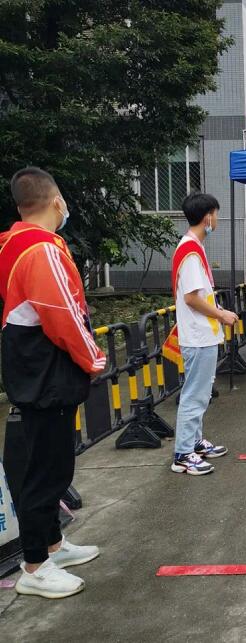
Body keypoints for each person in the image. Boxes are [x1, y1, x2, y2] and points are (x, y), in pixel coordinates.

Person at [1, 167, 106, 598]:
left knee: (47, 464)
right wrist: (94, 358)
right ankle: (34, 565)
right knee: (47, 472)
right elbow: (62, 315)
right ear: (55, 199)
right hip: (47, 373)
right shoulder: (40, 249)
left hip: (31, 369)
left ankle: (53, 545)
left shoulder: (14, 244)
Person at [171, 192, 236, 476]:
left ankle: (194, 443)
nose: (217, 220)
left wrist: (218, 312)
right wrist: (221, 315)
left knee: (200, 391)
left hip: (202, 334)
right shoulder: (190, 251)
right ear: (208, 217)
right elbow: (192, 298)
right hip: (198, 336)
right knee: (195, 394)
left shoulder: (192, 247)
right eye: (216, 215)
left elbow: (199, 295)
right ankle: (183, 454)